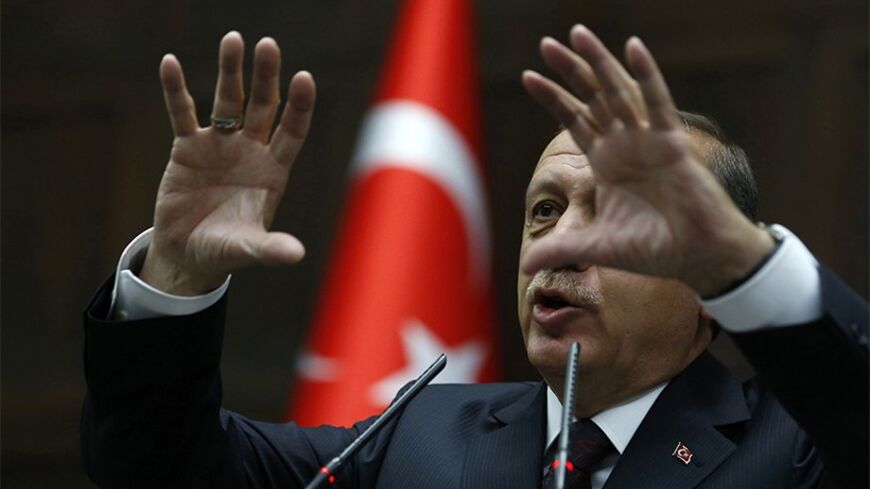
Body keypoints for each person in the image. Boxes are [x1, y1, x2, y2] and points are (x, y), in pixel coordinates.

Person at [82, 26, 868, 488]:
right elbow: (161, 468)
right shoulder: (421, 434)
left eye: (621, 218)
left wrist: (746, 265)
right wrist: (177, 278)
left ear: (706, 278)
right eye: (545, 211)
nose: (560, 244)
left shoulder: (795, 444)